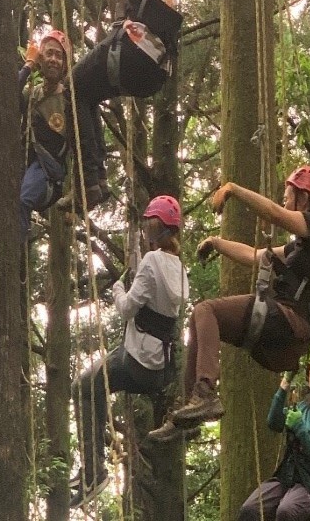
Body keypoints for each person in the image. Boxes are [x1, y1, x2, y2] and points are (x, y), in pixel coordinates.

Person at [10, 0, 183, 212]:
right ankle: (95, 183)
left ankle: (92, 181)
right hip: (154, 69)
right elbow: (116, 8)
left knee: (72, 87)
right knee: (85, 95)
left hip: (132, 53)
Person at [148, 166, 310, 442]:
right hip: (284, 325)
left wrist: (233, 189)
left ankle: (205, 393)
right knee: (199, 316)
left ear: (304, 198)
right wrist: (217, 243)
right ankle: (190, 411)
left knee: (207, 310)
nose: (284, 202)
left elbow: (275, 215)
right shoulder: (299, 248)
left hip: (291, 321)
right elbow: (256, 256)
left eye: (288, 196)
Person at [70, 195, 189, 508]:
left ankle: (94, 470)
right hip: (159, 366)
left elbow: (125, 310)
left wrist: (118, 288)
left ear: (157, 229)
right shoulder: (178, 267)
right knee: (101, 371)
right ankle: (91, 469)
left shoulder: (152, 262)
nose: (147, 231)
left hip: (137, 361)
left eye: (149, 225)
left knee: (82, 387)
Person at [238, 350, 310, 521]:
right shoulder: (301, 408)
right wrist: (286, 381)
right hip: (286, 479)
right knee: (250, 509)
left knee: (287, 511)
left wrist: (300, 429)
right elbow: (274, 422)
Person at [19, 29, 71, 241]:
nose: (53, 60)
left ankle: (19, 249)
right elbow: (8, 95)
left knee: (22, 202)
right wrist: (28, 65)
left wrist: (72, 198)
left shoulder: (70, 102)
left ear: (65, 64)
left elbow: (78, 149)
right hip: (26, 167)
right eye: (48, 54)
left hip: (49, 174)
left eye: (59, 56)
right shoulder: (32, 94)